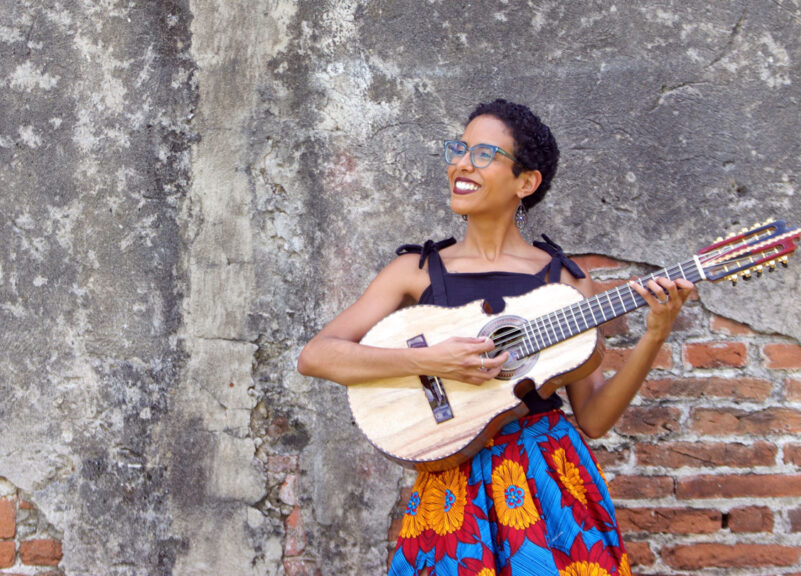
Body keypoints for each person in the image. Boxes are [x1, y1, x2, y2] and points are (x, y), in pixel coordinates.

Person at [297, 99, 693, 576]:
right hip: (451, 480)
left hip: (545, 478)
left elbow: (592, 418)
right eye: (459, 149)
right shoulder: (415, 271)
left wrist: (656, 333)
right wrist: (432, 362)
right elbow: (318, 356)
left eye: (483, 154)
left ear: (525, 183)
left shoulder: (565, 284)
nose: (461, 164)